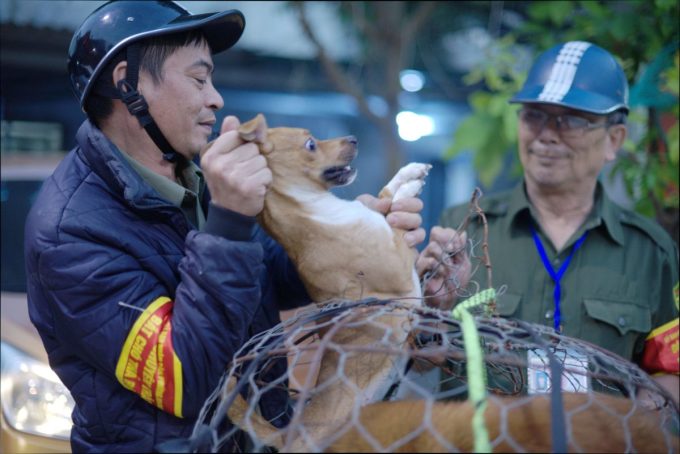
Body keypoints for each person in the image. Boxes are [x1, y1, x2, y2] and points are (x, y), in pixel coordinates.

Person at [24, 1, 425, 451]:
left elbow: (271, 274)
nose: (215, 97)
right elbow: (187, 380)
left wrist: (356, 239)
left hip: (260, 435)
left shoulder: (200, 178)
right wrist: (229, 221)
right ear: (127, 83)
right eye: (199, 79)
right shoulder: (69, 233)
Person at [417, 41, 679, 402]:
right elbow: (420, 363)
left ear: (614, 140)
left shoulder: (651, 252)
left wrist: (633, 428)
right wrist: (435, 311)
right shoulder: (464, 231)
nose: (547, 133)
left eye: (571, 119)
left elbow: (668, 371)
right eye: (534, 115)